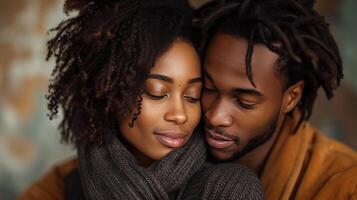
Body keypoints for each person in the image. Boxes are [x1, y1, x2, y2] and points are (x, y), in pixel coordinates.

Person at [17, 0, 264, 199]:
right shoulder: (65, 187)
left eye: (192, 96)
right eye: (157, 92)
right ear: (110, 91)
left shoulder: (228, 188)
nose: (180, 114)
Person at [196, 0, 357, 199]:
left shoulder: (346, 186)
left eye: (244, 101)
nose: (215, 116)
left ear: (291, 98)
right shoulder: (167, 148)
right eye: (208, 88)